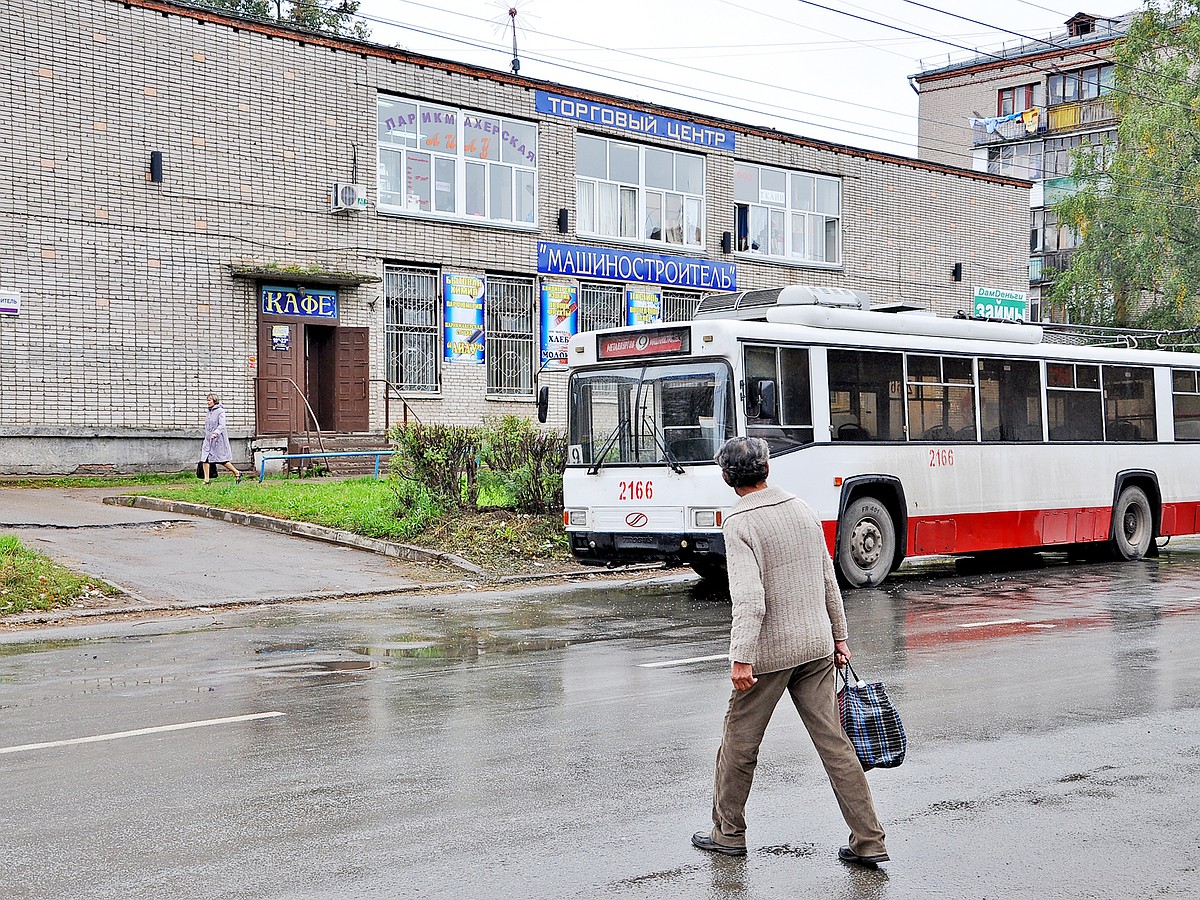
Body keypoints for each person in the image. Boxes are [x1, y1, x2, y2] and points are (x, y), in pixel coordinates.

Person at [691, 436, 889, 867]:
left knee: (739, 745)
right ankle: (869, 839)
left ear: (727, 478)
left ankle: (728, 834)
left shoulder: (739, 523)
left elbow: (749, 598)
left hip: (768, 654)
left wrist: (741, 657)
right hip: (816, 645)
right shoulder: (801, 509)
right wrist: (839, 637)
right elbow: (827, 579)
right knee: (835, 745)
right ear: (767, 470)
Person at [200, 393, 243, 484]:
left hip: (218, 440)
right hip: (208, 439)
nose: (208, 402)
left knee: (221, 460)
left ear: (214, 401)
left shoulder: (220, 411)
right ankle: (206, 480)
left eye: (209, 400)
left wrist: (216, 433)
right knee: (205, 458)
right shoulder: (209, 412)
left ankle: (237, 472)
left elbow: (222, 425)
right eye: (207, 400)